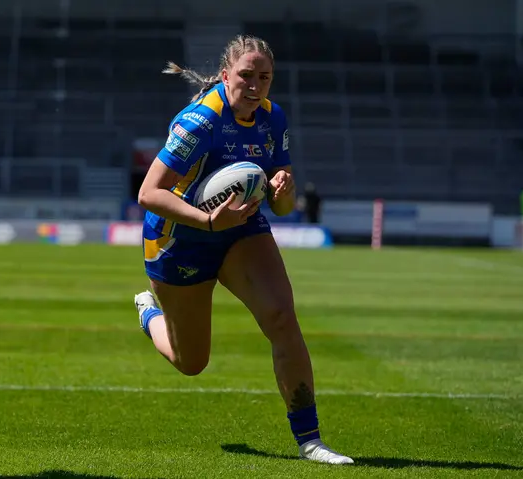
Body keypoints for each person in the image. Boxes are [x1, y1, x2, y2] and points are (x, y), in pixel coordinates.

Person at [134, 34, 353, 465]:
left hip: (242, 230)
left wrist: (283, 191)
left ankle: (310, 440)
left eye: (264, 77)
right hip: (178, 239)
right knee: (191, 362)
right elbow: (148, 193)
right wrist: (208, 221)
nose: (255, 86)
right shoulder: (200, 122)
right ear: (225, 76)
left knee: (282, 317)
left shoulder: (274, 119)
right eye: (246, 76)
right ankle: (149, 314)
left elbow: (284, 208)